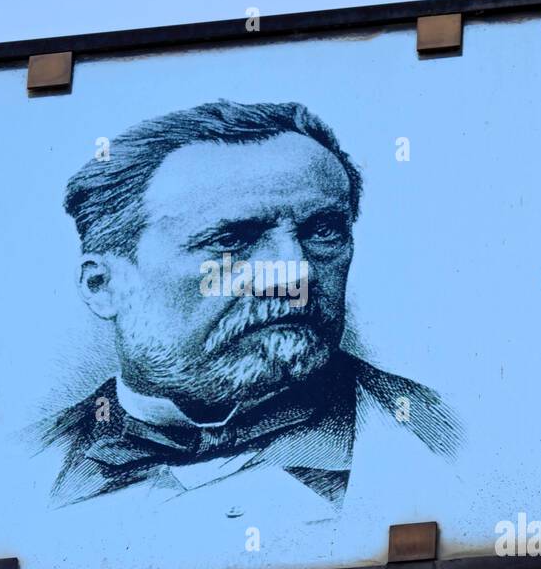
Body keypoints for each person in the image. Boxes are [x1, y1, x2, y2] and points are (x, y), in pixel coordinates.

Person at [28, 99, 463, 524]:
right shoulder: (26, 465)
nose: (294, 273)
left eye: (323, 231)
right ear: (102, 286)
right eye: (232, 241)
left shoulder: (441, 438)